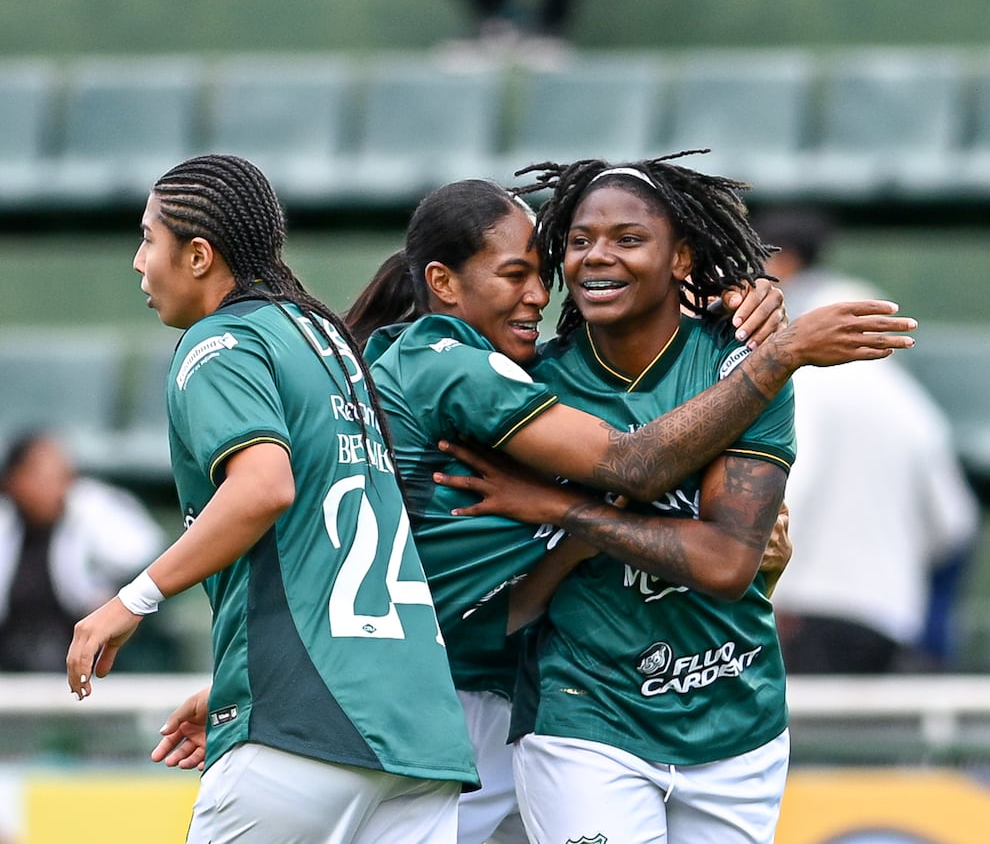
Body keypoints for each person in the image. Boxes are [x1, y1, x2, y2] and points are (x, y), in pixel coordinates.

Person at [341, 178, 915, 844]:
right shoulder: (528, 385)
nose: (593, 257)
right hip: (560, 712)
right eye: (579, 242)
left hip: (730, 715)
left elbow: (729, 564)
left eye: (629, 238)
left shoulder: (736, 363)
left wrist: (568, 513)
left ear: (681, 259)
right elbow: (622, 482)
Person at [65, 153, 477, 844]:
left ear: (198, 255)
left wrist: (129, 599)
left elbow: (264, 487)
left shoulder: (219, 342)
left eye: (148, 239)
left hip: (306, 725)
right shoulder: (325, 342)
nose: (138, 262)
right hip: (417, 739)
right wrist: (240, 679)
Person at [753, 205, 981, 674]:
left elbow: (784, 492)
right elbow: (954, 524)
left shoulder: (795, 381)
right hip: (886, 622)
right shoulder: (908, 399)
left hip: (799, 613)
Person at [0, 430, 165, 672]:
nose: (59, 488)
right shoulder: (5, 522)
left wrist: (116, 598)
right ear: (15, 481)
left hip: (90, 656)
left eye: (63, 476)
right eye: (45, 477)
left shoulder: (97, 510)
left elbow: (146, 556)